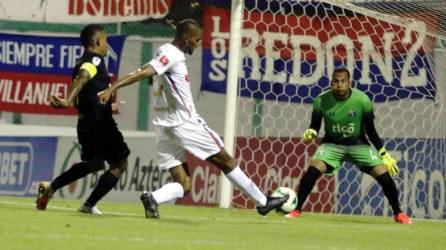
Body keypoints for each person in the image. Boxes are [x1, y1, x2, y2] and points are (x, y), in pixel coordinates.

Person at [98, 19, 287, 219]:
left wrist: (155, 82)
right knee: (227, 161)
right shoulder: (173, 54)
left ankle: (153, 197)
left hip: (163, 127)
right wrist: (113, 88)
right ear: (186, 37)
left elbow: (150, 76)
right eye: (197, 40)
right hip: (184, 123)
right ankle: (263, 202)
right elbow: (145, 72)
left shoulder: (163, 50)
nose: (198, 44)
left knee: (184, 184)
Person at [285, 68, 412, 224]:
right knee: (310, 174)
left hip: (358, 145)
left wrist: (384, 154)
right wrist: (311, 132)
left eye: (343, 81)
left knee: (385, 177)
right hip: (332, 145)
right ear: (331, 83)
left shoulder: (363, 100)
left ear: (349, 83)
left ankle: (398, 213)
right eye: (336, 81)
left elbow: (371, 131)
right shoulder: (321, 100)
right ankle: (297, 210)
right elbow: (315, 126)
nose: (339, 85)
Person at [35, 24, 130, 215]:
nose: (106, 45)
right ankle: (88, 205)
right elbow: (83, 77)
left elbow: (87, 90)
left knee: (94, 163)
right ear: (97, 41)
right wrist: (68, 100)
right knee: (120, 163)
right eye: (105, 40)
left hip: (85, 123)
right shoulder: (94, 60)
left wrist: (108, 106)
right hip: (100, 124)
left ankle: (51, 187)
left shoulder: (80, 61)